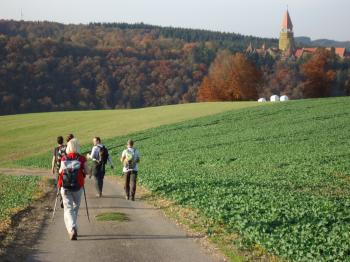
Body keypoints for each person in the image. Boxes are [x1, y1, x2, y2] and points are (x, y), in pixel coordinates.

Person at [58, 138, 89, 240]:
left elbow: (60, 172)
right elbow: (87, 172)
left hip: (65, 186)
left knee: (68, 209)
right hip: (78, 186)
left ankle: (72, 228)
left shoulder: (64, 158)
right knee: (75, 208)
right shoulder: (82, 158)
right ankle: (73, 227)